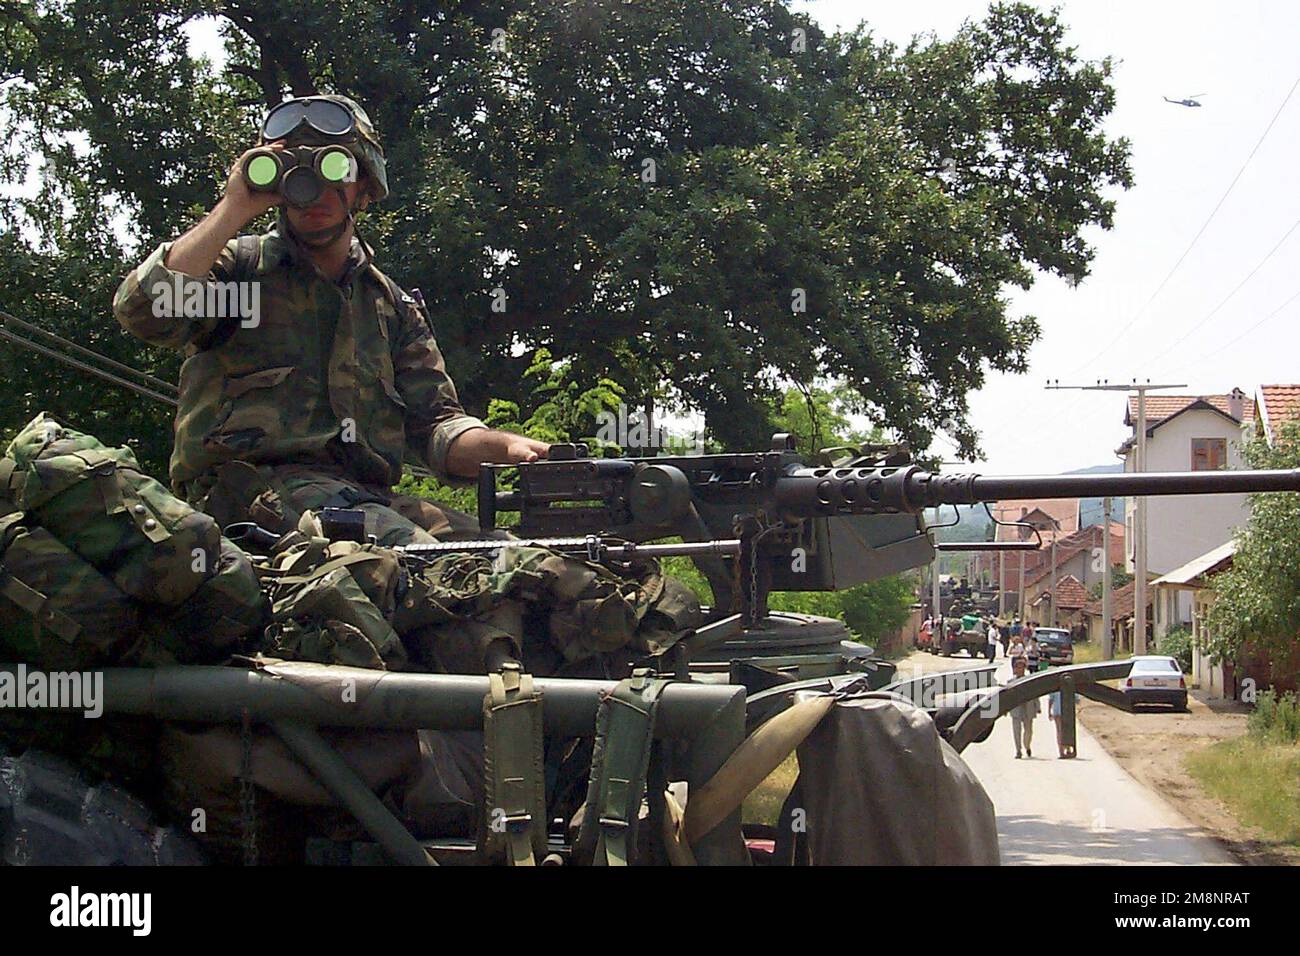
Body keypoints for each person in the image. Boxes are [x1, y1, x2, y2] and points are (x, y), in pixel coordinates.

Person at [113, 95, 550, 673]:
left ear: (364, 189)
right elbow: (144, 309)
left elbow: (439, 427)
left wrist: (506, 447)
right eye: (297, 176)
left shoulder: (390, 306)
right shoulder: (238, 269)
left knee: (519, 565)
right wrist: (234, 205)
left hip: (365, 497)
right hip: (254, 491)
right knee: (434, 570)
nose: (314, 194)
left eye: (334, 173)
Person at [1007, 655, 1039, 758]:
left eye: (1021, 667)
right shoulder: (1010, 682)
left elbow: (1035, 695)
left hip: (1028, 708)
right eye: (1018, 667)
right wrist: (1005, 709)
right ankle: (1018, 750)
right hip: (1016, 709)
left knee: (1028, 730)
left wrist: (1037, 707)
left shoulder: (1029, 680)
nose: (1019, 669)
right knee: (1016, 731)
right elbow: (1007, 697)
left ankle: (1027, 746)